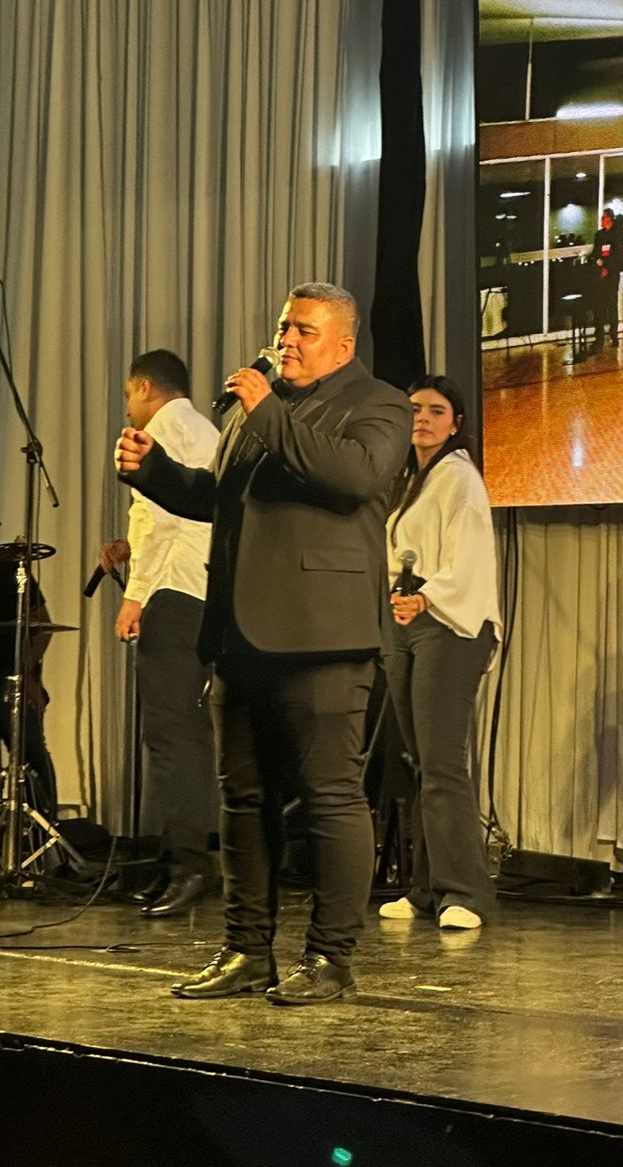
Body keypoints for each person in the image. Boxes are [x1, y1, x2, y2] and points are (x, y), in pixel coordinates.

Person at [114, 283, 412, 1005]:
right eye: (284, 327)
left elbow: (353, 476)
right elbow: (221, 496)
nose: (287, 340)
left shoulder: (378, 404)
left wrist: (268, 413)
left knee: (330, 798)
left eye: (304, 330)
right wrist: (153, 472)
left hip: (322, 637)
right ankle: (247, 950)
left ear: (343, 345)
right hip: (239, 634)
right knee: (242, 798)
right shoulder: (262, 409)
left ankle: (330, 957)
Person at [96, 350, 219, 917]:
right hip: (204, 592)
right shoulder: (204, 429)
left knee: (172, 734)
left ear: (145, 387)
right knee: (184, 732)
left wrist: (134, 596)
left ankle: (189, 865)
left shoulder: (161, 432)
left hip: (175, 593)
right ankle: (181, 861)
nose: (128, 407)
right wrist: (130, 550)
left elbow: (160, 522)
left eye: (128, 395)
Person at [377, 375, 500, 932]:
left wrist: (425, 598)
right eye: (414, 409)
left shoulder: (459, 477)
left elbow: (467, 559)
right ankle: (426, 889)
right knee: (419, 760)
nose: (422, 419)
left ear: (456, 424)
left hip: (450, 623)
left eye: (435, 410)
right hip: (408, 617)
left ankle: (464, 892)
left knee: (443, 760)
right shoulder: (410, 479)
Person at [0, 557, 57, 821]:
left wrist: (25, 675)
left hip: (12, 678)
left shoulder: (11, 568)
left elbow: (42, 626)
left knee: (30, 753)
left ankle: (46, 826)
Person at [589, 208, 623, 350]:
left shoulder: (617, 235)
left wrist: (607, 266)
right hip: (599, 276)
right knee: (599, 305)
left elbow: (617, 255)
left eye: (603, 218)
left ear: (609, 219)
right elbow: (595, 252)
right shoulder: (599, 235)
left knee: (612, 305)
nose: (601, 220)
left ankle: (613, 335)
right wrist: (597, 262)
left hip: (612, 275)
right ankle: (599, 336)